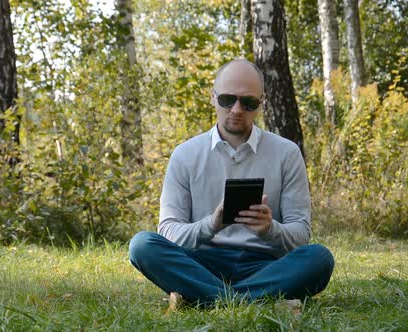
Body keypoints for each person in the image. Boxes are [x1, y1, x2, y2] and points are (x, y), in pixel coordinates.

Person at [129, 59, 334, 309]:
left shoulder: (286, 153)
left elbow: (301, 235)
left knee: (319, 258)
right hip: (200, 263)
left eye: (249, 103)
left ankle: (206, 298)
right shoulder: (185, 155)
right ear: (213, 97)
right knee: (142, 245)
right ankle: (255, 301)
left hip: (264, 264)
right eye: (228, 99)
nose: (237, 109)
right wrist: (212, 224)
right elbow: (169, 231)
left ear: (261, 104)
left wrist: (269, 229)